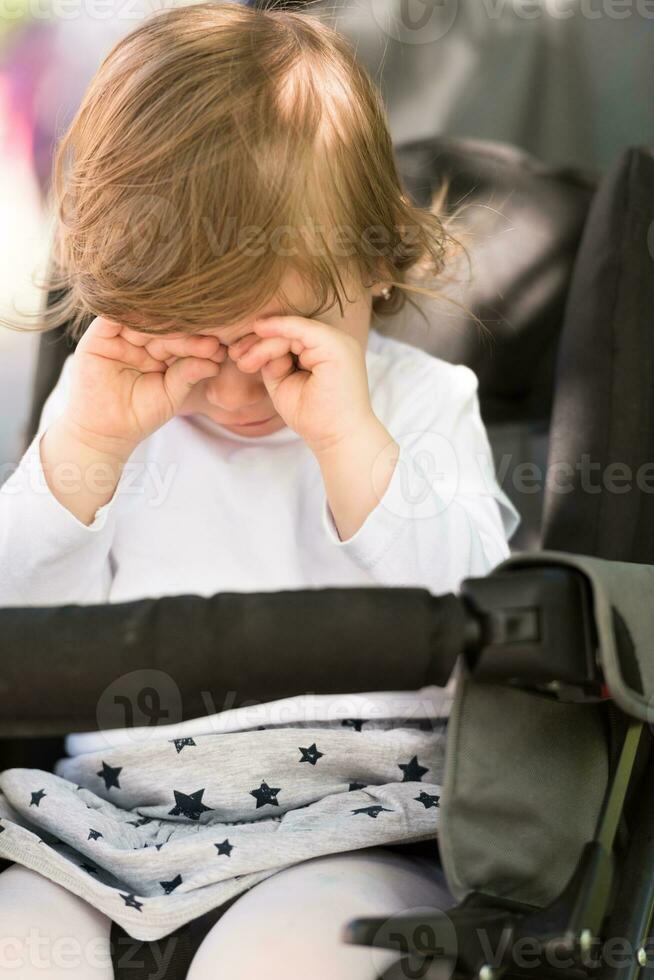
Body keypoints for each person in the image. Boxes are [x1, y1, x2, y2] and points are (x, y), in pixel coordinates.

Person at [0, 3, 519, 976]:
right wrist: (79, 452)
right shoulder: (115, 413)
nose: (236, 387)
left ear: (372, 265)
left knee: (278, 957)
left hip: (357, 821)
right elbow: (18, 638)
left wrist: (348, 438)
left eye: (278, 341)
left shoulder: (419, 404)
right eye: (190, 339)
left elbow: (490, 634)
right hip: (109, 821)